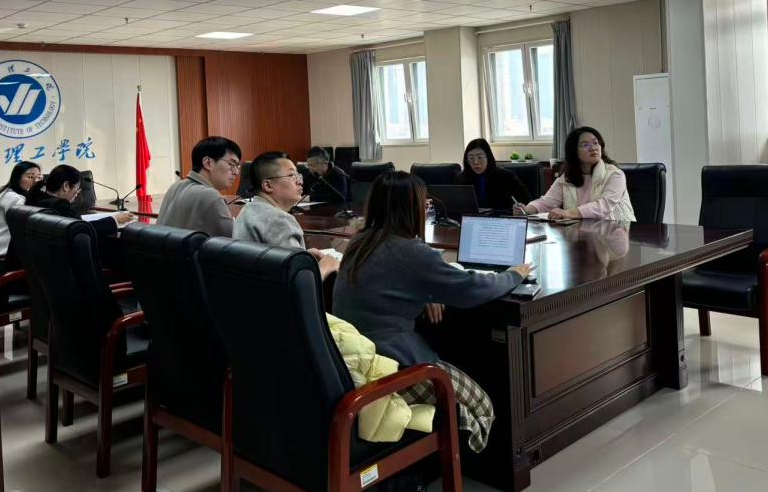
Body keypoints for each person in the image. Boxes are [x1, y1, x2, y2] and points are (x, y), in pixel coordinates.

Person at [333, 171, 533, 456]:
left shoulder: (359, 242)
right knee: (481, 405)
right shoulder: (410, 252)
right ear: (410, 207)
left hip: (355, 359)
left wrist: (426, 292)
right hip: (392, 364)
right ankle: (467, 462)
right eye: (423, 202)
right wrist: (514, 274)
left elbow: (394, 283)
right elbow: (472, 289)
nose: (427, 206)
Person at [233, 151, 339, 279]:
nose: (300, 182)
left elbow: (273, 261)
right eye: (291, 175)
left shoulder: (248, 210)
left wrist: (302, 256)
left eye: (298, 175)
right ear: (268, 185)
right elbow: (300, 282)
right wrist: (327, 266)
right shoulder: (279, 220)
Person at [514, 126, 635, 222]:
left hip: (617, 233)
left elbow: (604, 206)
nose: (593, 148)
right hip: (582, 233)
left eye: (595, 143)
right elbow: (548, 201)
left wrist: (567, 213)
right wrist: (527, 209)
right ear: (574, 152)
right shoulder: (567, 177)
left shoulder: (615, 175)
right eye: (585, 145)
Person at [157, 136, 241, 237]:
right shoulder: (210, 195)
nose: (236, 172)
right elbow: (234, 238)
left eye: (237, 166)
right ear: (208, 163)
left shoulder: (175, 186)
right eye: (231, 164)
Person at [27, 165, 135, 236]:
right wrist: (115, 220)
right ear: (65, 186)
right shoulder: (59, 205)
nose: (78, 193)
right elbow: (82, 230)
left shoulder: (36, 197)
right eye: (77, 188)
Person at [456, 138, 531, 212]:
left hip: (501, 217)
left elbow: (527, 201)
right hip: (471, 218)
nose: (475, 162)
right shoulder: (461, 178)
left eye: (480, 157)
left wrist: (517, 208)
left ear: (488, 157)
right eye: (471, 158)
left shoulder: (506, 176)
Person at [0, 161, 41, 256]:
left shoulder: (5, 191)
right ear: (18, 178)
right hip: (3, 252)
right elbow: (26, 227)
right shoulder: (14, 198)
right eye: (30, 177)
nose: (35, 181)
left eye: (39, 177)